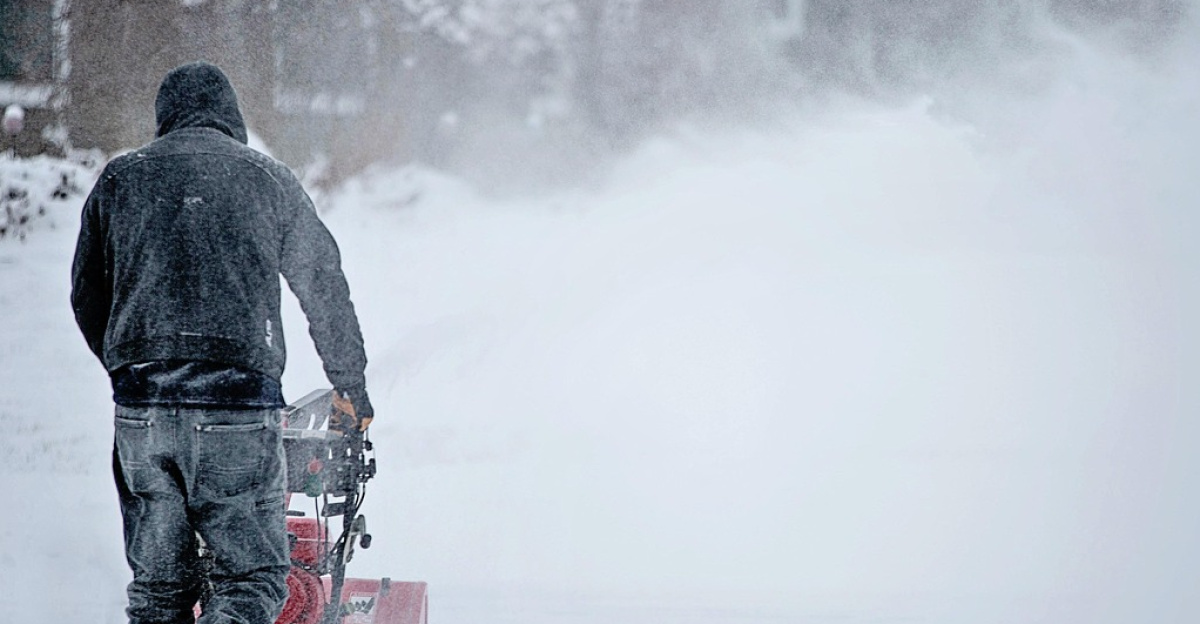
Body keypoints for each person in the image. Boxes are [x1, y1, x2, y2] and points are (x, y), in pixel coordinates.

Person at [71, 61, 373, 624]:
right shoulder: (267, 179)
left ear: (166, 118)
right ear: (231, 117)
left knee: (159, 591)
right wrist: (349, 386)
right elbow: (323, 284)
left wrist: (130, 365)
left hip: (142, 411)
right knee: (250, 581)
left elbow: (87, 293)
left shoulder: (121, 179)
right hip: (236, 406)